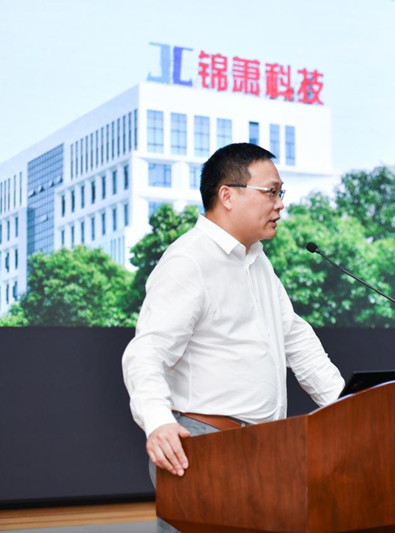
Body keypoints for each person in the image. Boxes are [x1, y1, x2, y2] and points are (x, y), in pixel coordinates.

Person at [122, 143, 344, 532]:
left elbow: (298, 342)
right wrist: (157, 421)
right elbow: (146, 352)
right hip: (207, 448)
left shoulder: (257, 260)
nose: (280, 205)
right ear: (227, 195)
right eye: (271, 192)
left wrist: (347, 408)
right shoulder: (189, 260)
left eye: (281, 193)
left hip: (263, 449)